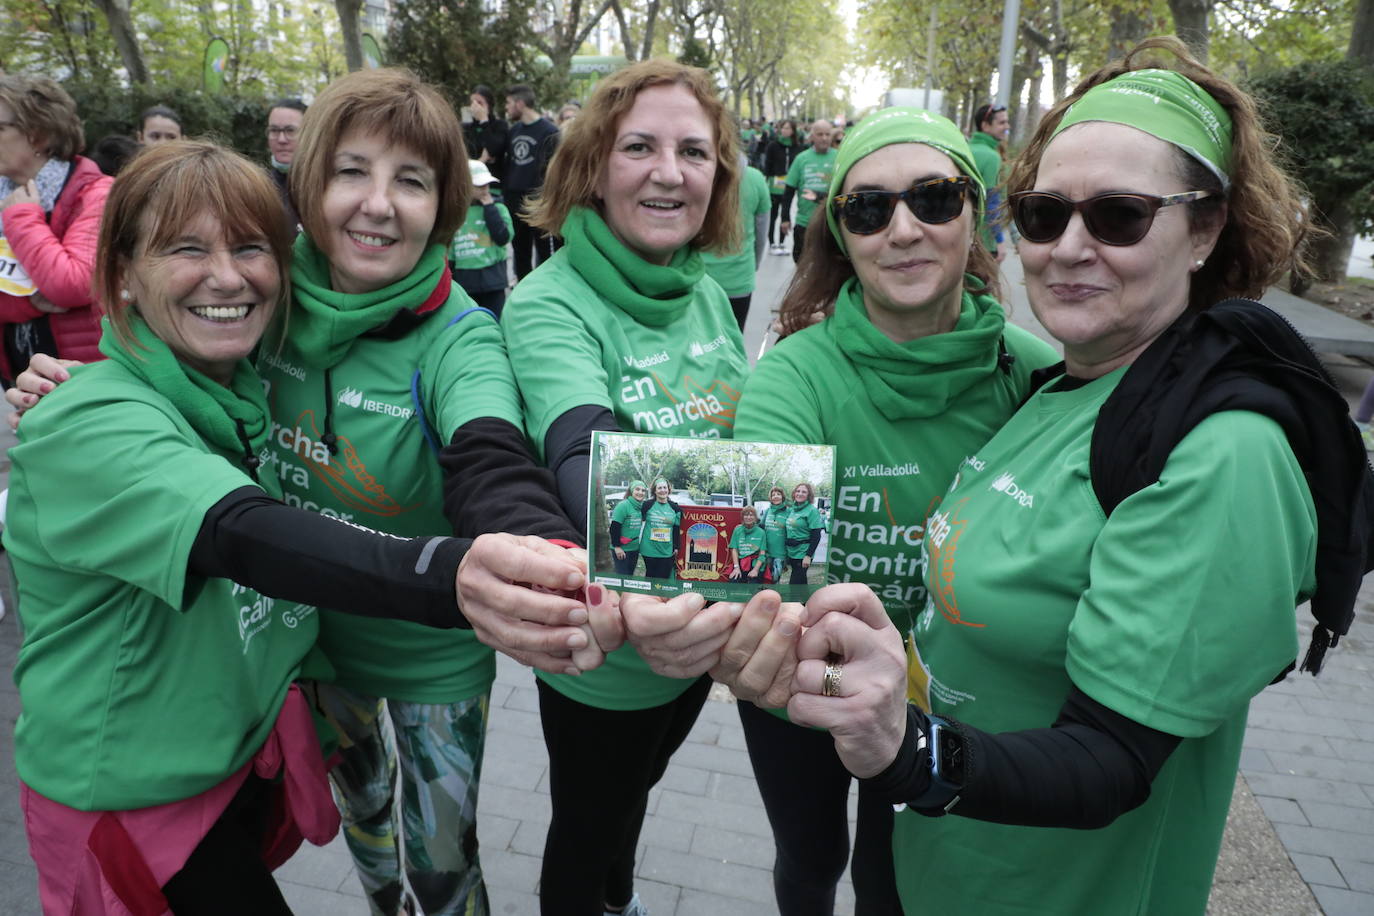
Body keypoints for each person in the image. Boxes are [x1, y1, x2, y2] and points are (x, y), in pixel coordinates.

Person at [786, 38, 1373, 916]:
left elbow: (1111, 761)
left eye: (1120, 216)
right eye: (1043, 214)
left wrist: (910, 750)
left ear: (1206, 228)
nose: (1069, 247)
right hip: (941, 870)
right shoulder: (1063, 382)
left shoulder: (1224, 453)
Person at [5, 139, 582, 914]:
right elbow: (242, 531)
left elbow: (491, 456)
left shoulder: (236, 382)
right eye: (186, 249)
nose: (228, 276)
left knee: (442, 863)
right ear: (121, 279)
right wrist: (453, 573)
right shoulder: (98, 418)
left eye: (250, 247)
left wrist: (555, 551)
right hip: (129, 806)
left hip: (230, 770)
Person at [731, 105, 1058, 915]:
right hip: (802, 676)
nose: (903, 229)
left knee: (892, 876)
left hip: (953, 697)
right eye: (870, 209)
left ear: (974, 216)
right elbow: (761, 567)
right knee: (809, 859)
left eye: (935, 199)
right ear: (842, 235)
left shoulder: (1040, 374)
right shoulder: (791, 377)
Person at [501, 58, 749, 916]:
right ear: (593, 168)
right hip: (603, 658)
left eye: (694, 151)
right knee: (586, 827)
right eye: (639, 146)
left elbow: (741, 444)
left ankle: (623, 899)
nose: (669, 172)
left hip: (698, 641)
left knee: (632, 803)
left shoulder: (709, 295)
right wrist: (769, 532)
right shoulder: (547, 301)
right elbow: (583, 455)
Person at [0, 75, 110, 387]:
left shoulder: (94, 193)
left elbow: (72, 284)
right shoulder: (2, 194)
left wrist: (21, 217)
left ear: (39, 134)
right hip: (23, 381)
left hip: (84, 376)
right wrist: (30, 302)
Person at [702, 153, 770, 330]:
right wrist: (754, 264)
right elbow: (762, 232)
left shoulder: (700, 174)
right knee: (735, 336)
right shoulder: (756, 179)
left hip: (700, 278)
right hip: (739, 278)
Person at [504, 83, 559, 279]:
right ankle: (522, 292)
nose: (506, 108)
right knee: (520, 252)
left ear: (520, 103)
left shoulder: (549, 131)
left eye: (509, 103)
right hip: (515, 201)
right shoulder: (513, 131)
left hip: (539, 202)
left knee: (545, 252)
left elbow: (552, 172)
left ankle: (545, 291)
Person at [451, 159, 513, 317]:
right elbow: (450, 249)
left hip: (493, 279)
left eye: (487, 184)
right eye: (479, 185)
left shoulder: (498, 208)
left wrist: (489, 208)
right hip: (466, 280)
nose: (485, 189)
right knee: (470, 321)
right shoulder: (456, 212)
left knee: (496, 320)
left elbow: (503, 237)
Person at [781, 119, 837, 263]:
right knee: (800, 262)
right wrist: (785, 218)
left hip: (829, 223)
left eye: (827, 134)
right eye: (820, 134)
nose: (824, 138)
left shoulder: (839, 158)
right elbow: (789, 191)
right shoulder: (801, 159)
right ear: (812, 136)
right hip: (804, 223)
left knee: (827, 265)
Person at [970, 102, 1010, 262]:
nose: (1007, 126)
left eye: (1007, 121)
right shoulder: (991, 157)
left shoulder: (965, 149)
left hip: (964, 238)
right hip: (985, 243)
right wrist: (999, 241)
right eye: (1001, 122)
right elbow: (991, 204)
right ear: (985, 126)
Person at [266, 97, 306, 231]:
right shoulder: (256, 187)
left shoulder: (325, 186)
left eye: (290, 131)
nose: (281, 139)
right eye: (274, 131)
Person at [764, 120, 800, 254]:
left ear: (793, 131)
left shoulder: (796, 147)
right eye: (783, 128)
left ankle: (781, 242)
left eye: (788, 128)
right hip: (774, 184)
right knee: (773, 215)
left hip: (788, 185)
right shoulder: (773, 145)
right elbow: (767, 163)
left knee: (785, 214)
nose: (785, 131)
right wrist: (766, 179)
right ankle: (772, 243)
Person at [779, 482, 824, 586]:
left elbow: (817, 535)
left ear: (809, 495)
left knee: (795, 582)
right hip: (792, 551)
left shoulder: (812, 511)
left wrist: (808, 555)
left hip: (803, 553)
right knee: (800, 581)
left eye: (804, 492)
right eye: (798, 491)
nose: (800, 494)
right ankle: (803, 602)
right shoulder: (792, 509)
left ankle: (796, 601)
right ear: (794, 493)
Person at [638, 477, 683, 580]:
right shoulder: (647, 505)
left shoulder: (675, 508)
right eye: (659, 488)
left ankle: (660, 596)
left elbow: (676, 528)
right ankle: (649, 596)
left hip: (666, 550)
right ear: (655, 491)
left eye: (665, 487)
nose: (663, 490)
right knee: (651, 577)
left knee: (663, 579)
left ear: (668, 489)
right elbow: (636, 519)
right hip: (649, 549)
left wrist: (676, 546)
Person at [464, 84, 509, 185]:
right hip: (471, 183)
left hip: (494, 184)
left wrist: (484, 121)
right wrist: (482, 159)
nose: (475, 107)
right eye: (472, 103)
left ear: (489, 105)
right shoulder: (467, 127)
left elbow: (493, 149)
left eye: (480, 103)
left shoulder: (500, 125)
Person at [609, 480, 648, 575]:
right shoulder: (623, 505)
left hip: (634, 548)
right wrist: (617, 547)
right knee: (623, 577)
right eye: (637, 489)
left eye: (643, 490)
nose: (640, 492)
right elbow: (614, 527)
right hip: (622, 548)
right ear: (631, 491)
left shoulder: (641, 507)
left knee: (630, 576)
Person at [727, 506, 768, 582]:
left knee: (753, 583)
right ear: (742, 517)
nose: (748, 517)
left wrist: (755, 570)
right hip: (740, 563)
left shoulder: (761, 532)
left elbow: (762, 554)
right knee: (733, 580)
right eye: (746, 515)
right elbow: (734, 550)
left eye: (751, 515)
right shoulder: (737, 530)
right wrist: (736, 567)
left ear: (755, 518)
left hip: (755, 564)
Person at [759, 485, 790, 583]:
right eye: (773, 495)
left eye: (778, 494)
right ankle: (764, 597)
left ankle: (773, 598)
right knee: (766, 578)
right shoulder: (768, 511)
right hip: (766, 551)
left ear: (782, 496)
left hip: (780, 553)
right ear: (770, 498)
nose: (776, 496)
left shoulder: (788, 511)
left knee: (775, 579)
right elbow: (761, 527)